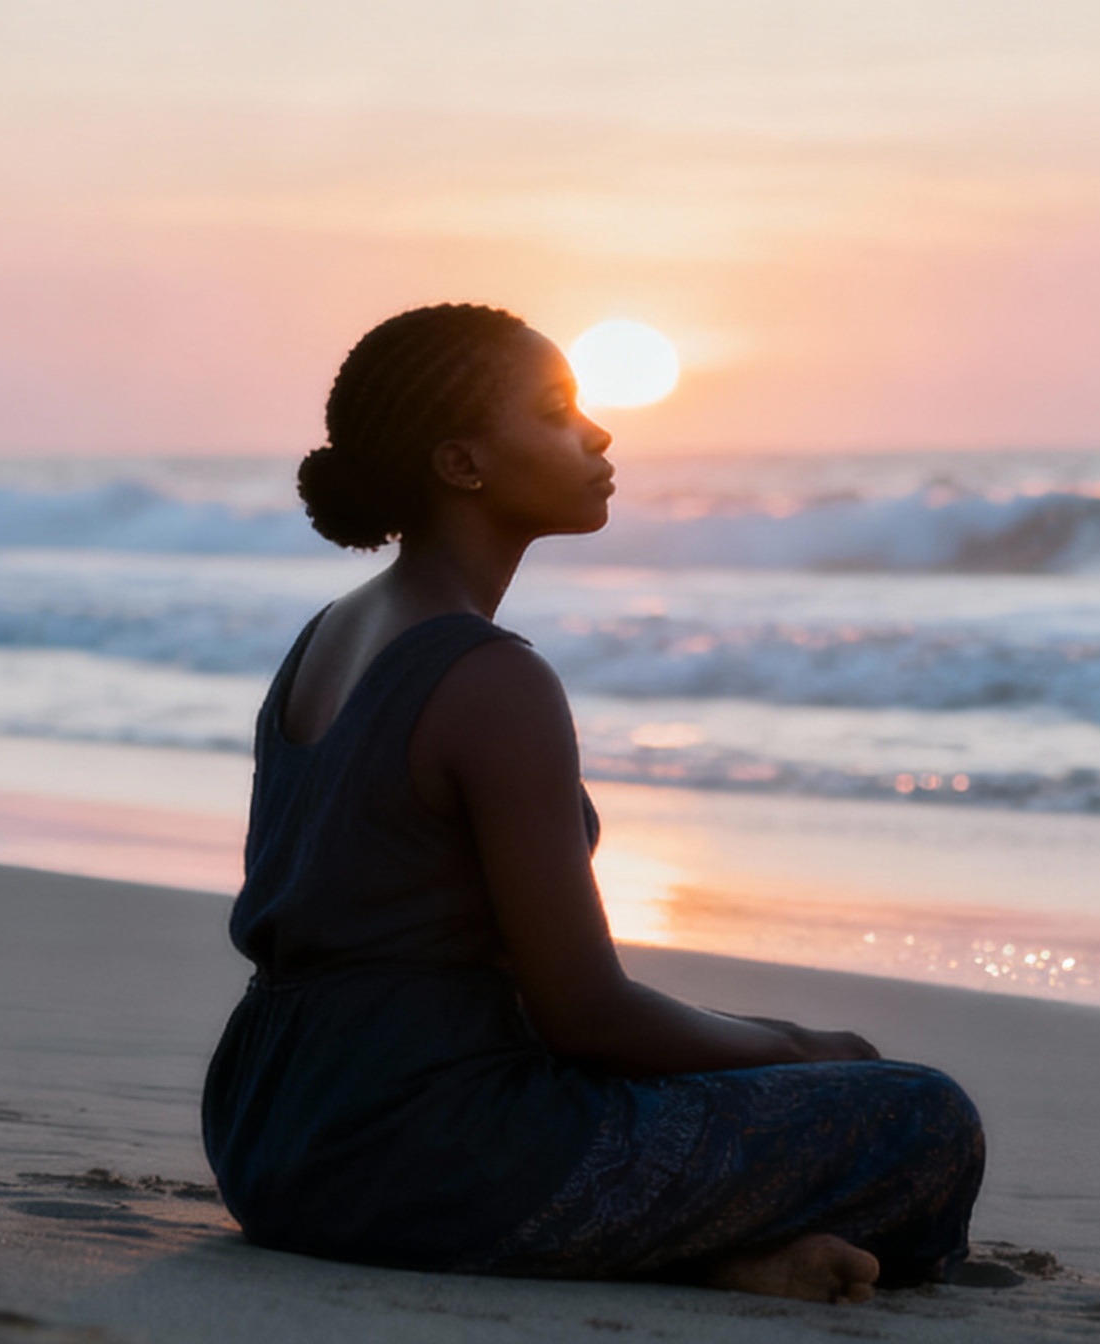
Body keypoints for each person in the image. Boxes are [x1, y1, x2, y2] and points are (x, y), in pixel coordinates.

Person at [201, 304, 985, 1305]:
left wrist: (751, 1044)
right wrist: (797, 1046)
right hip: (421, 1152)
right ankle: (701, 1246)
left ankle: (706, 1248)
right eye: (558, 411)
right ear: (461, 464)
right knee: (920, 1113)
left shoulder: (331, 631)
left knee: (746, 1072)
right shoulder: (488, 676)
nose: (598, 434)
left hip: (269, 1134)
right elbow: (585, 1014)